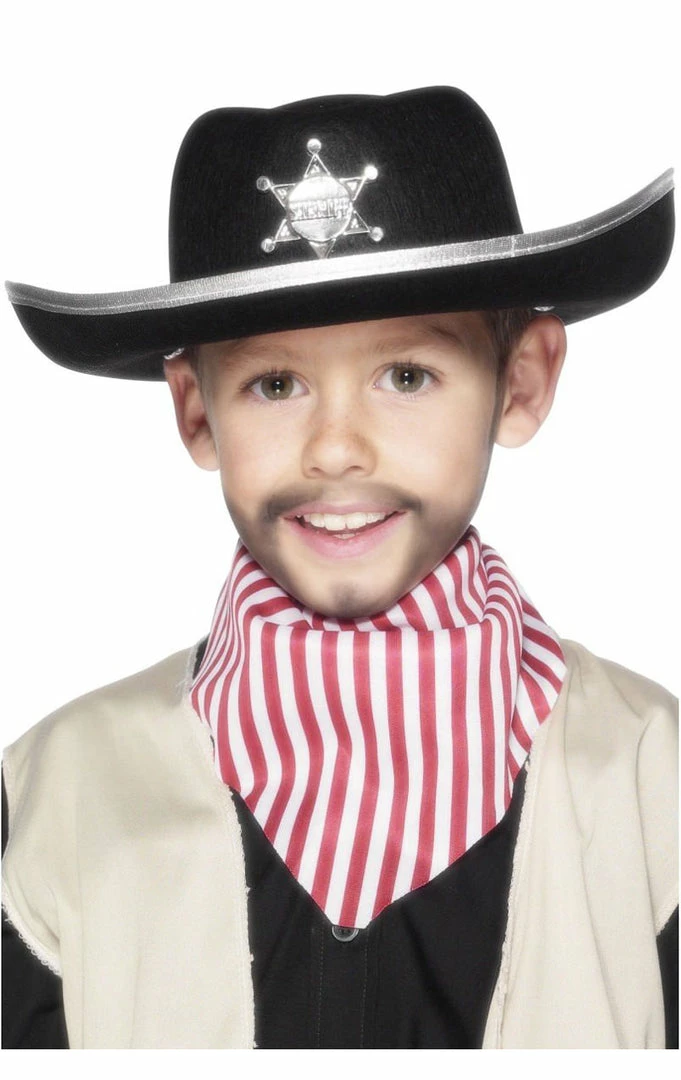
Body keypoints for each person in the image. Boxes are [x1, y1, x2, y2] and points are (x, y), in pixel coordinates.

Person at [2, 86, 677, 1049]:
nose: (334, 450)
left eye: (406, 376)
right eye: (275, 384)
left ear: (521, 382)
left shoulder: (654, 786)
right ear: (195, 410)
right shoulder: (52, 800)